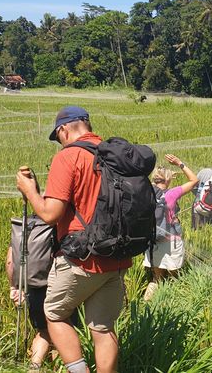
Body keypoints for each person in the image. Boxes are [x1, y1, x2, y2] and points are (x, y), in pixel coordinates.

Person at [16, 105, 129, 373]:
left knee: (54, 314)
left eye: (58, 137)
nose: (60, 143)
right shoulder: (114, 155)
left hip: (81, 259)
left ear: (64, 129)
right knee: (102, 329)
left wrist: (29, 190)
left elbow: (49, 214)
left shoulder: (69, 157)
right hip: (116, 258)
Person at [5, 217, 79, 372]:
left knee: (43, 331)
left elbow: (11, 261)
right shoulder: (62, 225)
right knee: (63, 329)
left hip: (34, 286)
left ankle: (34, 368)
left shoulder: (27, 225)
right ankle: (59, 369)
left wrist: (14, 286)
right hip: (59, 284)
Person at [143, 154, 198, 301]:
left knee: (156, 278)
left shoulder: (145, 192)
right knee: (174, 276)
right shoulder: (171, 194)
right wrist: (179, 163)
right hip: (171, 240)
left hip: (152, 240)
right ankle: (174, 302)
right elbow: (194, 180)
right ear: (168, 179)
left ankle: (146, 304)